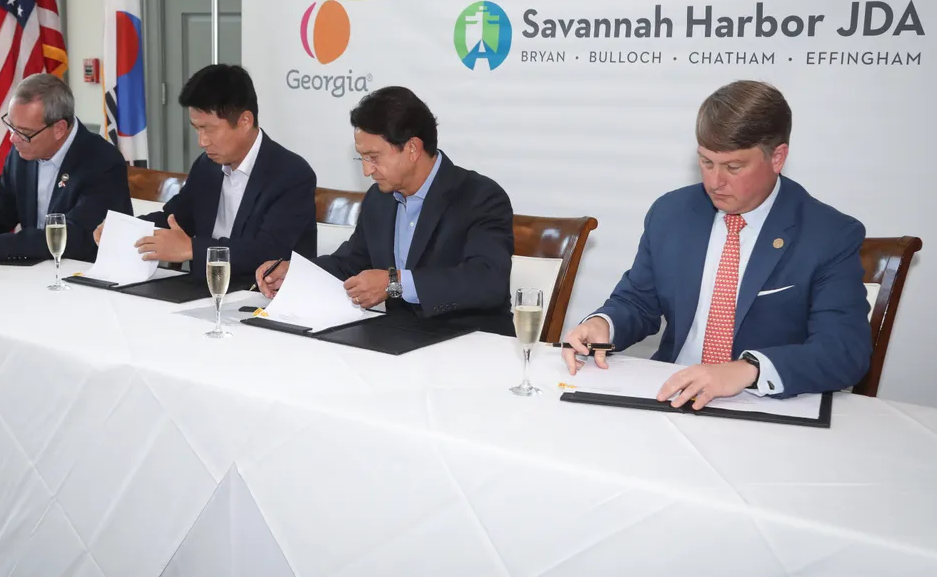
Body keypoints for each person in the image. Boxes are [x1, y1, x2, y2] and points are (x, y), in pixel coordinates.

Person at [562, 80, 871, 407]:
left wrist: (748, 369)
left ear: (777, 157)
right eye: (706, 162)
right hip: (671, 392)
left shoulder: (828, 235)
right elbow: (639, 302)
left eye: (733, 167)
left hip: (761, 402)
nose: (714, 181)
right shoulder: (672, 213)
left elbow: (844, 351)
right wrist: (602, 323)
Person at [255, 86, 515, 335]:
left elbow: (487, 281)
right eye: (362, 158)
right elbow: (350, 264)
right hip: (396, 339)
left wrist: (396, 283)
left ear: (412, 148)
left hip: (470, 344)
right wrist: (296, 273)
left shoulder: (479, 196)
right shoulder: (380, 199)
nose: (367, 171)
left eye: (374, 158)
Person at [96, 64, 317, 281]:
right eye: (196, 128)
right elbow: (174, 218)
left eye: (209, 129)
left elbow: (267, 251)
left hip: (261, 298)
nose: (202, 141)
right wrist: (124, 231)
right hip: (203, 291)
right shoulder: (207, 166)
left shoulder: (291, 175)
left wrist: (192, 248)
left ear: (245, 121)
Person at [0, 73, 131, 265]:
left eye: (24, 133)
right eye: (11, 127)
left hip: (82, 275)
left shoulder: (103, 162)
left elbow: (73, 236)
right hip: (33, 271)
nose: (13, 139)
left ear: (59, 129)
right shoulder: (23, 152)